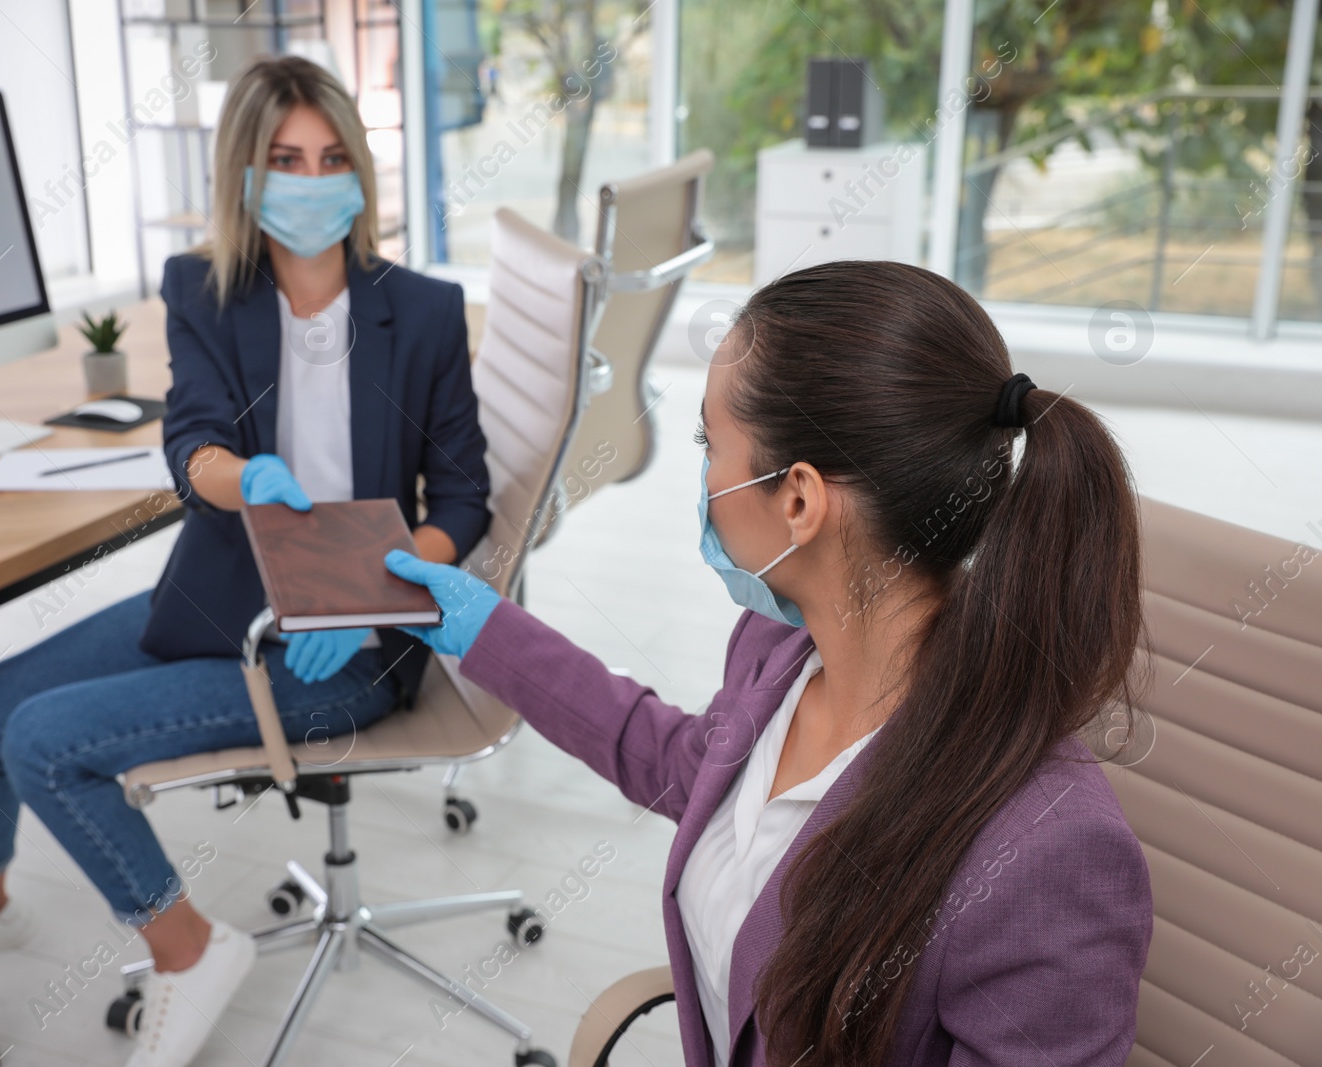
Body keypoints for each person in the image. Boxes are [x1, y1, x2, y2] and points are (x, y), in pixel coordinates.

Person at [0, 55, 490, 1067]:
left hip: (348, 638)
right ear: (245, 176)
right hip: (223, 594)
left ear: (361, 170)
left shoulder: (422, 310)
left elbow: (461, 499)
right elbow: (191, 439)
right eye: (284, 158)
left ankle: (189, 947)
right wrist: (238, 477)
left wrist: (366, 595)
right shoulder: (203, 291)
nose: (310, 178)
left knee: (39, 739)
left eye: (332, 156)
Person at [386, 260, 1153, 1067]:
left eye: (708, 443)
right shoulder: (781, 648)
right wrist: (484, 629)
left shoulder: (1050, 853)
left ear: (798, 499)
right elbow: (689, 765)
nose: (705, 477)